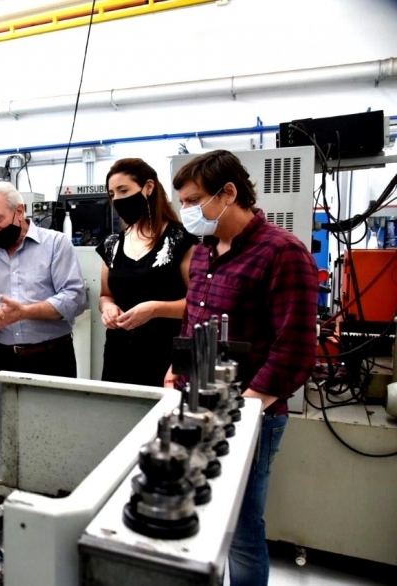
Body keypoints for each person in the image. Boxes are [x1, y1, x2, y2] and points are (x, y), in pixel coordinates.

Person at [170, 150, 318, 586]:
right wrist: (174, 373)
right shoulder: (202, 253)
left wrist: (242, 411)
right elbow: (192, 322)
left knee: (240, 530)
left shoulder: (283, 253)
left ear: (228, 192)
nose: (187, 212)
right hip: (196, 409)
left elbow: (295, 350)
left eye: (194, 200)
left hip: (253, 416)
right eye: (183, 202)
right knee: (199, 518)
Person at [0, 181, 87, 377]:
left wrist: (23, 312)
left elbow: (74, 299)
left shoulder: (56, 244)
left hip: (51, 358)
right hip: (3, 359)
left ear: (20, 211)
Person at [97, 158, 197, 386]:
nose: (118, 200)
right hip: (119, 353)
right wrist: (108, 307)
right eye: (112, 194)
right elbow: (105, 294)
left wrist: (154, 309)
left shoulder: (179, 240)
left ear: (148, 188)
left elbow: (199, 304)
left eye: (124, 190)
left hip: (166, 356)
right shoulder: (112, 245)